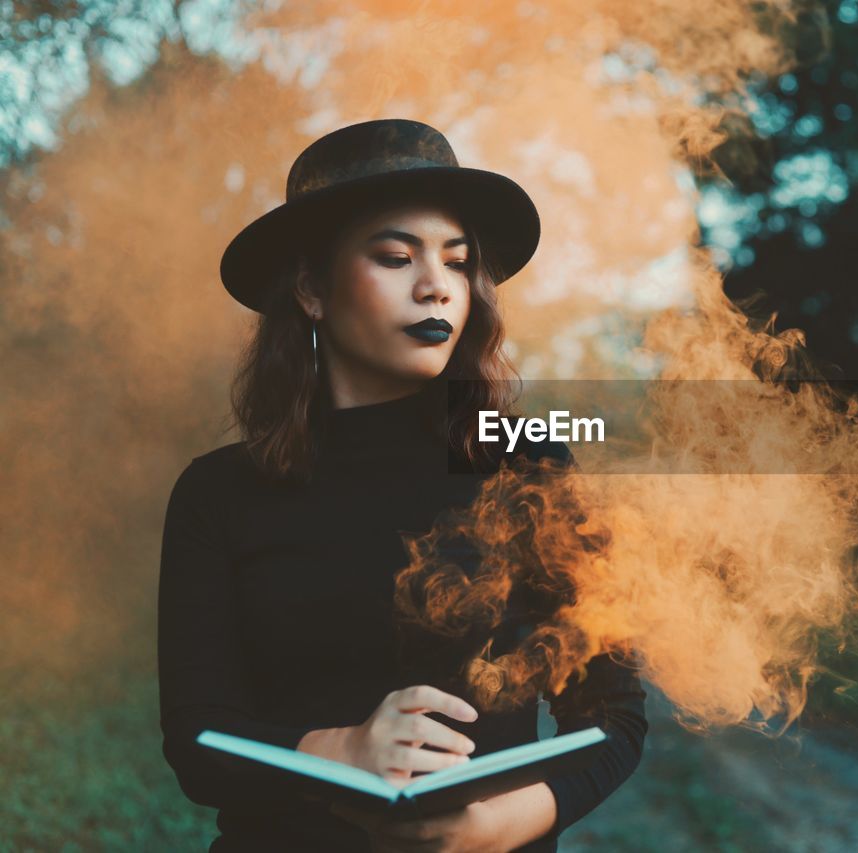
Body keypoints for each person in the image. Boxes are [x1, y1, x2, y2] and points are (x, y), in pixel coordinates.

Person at [157, 119, 648, 852]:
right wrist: (339, 750)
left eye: (457, 263)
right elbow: (197, 740)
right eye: (395, 256)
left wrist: (500, 826)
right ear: (312, 291)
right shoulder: (218, 493)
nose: (435, 287)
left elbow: (613, 713)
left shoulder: (531, 465)